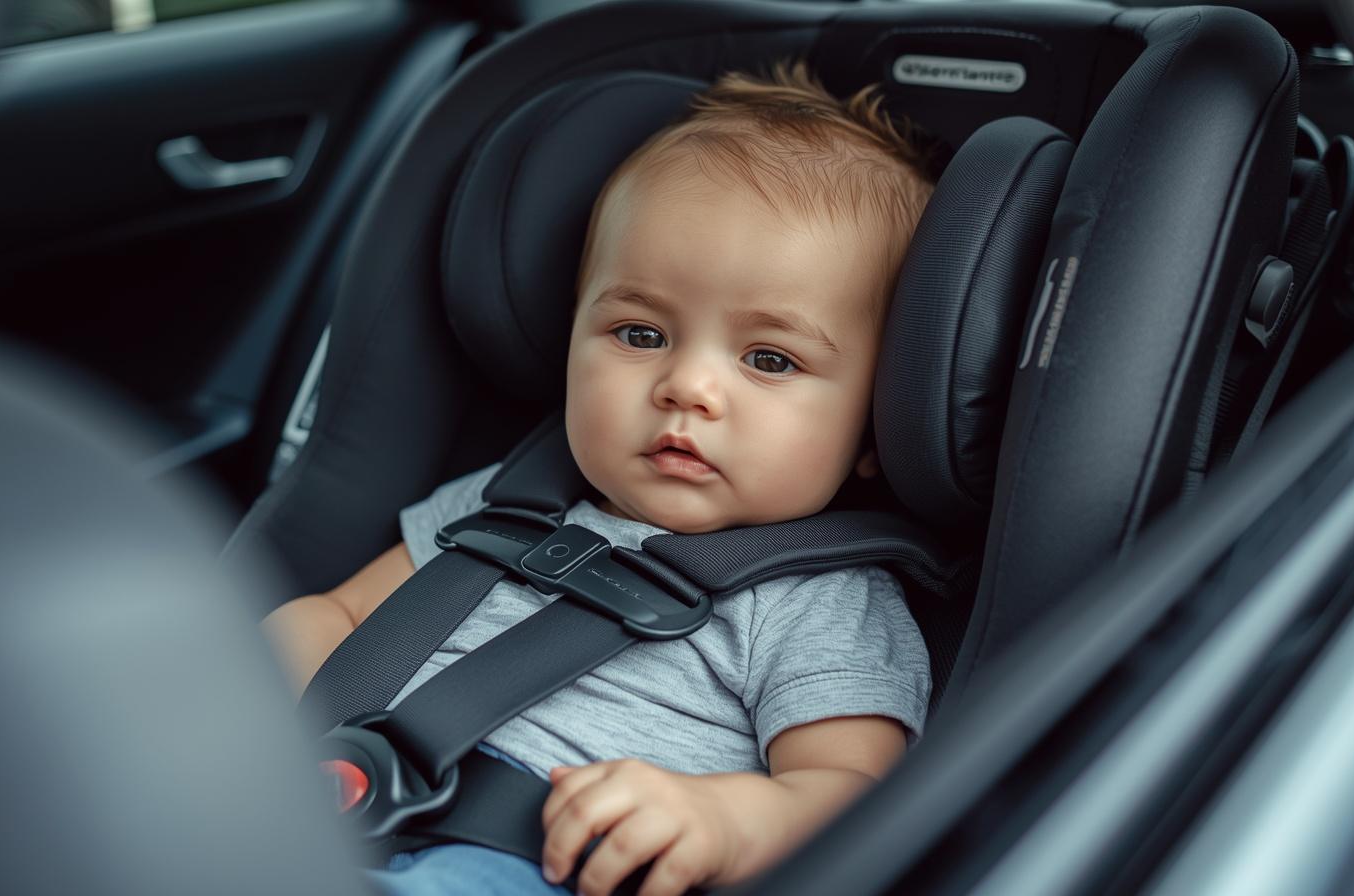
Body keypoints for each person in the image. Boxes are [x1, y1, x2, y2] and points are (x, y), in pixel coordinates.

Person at [264, 61, 939, 896]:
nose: (687, 386)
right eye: (641, 333)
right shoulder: (502, 501)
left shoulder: (827, 599)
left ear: (874, 427)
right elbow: (345, 611)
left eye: (770, 358)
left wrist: (722, 822)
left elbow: (851, 794)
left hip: (530, 865)